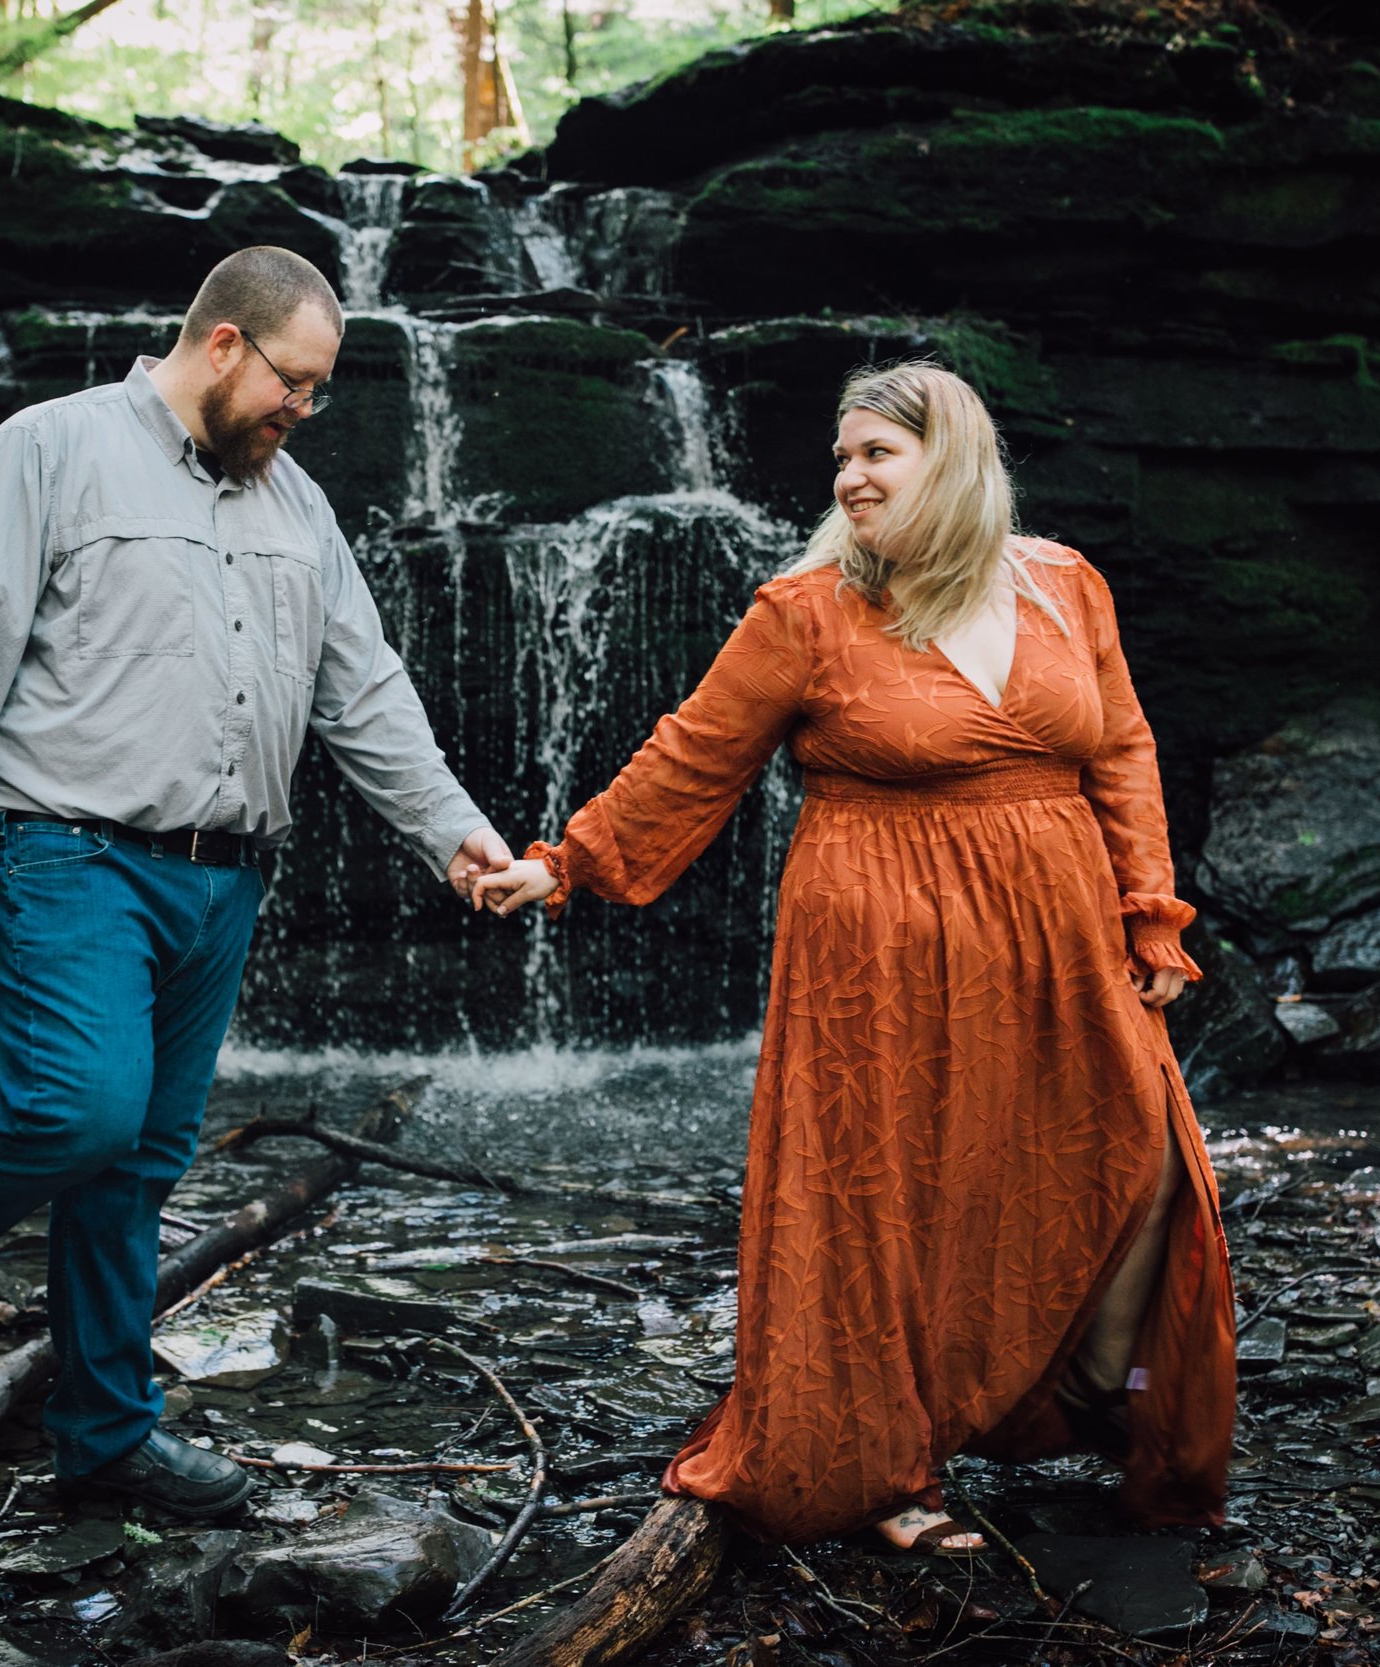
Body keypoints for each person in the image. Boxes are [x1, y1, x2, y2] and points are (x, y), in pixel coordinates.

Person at [472, 361, 1235, 1554]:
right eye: (842, 458)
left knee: (1137, 1160)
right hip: (877, 936)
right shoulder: (809, 609)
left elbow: (1122, 746)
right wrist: (561, 862)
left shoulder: (1064, 584)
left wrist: (1151, 911)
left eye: (876, 452)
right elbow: (694, 755)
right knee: (890, 1195)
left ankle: (1072, 1387)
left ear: (955, 459)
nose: (848, 476)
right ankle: (886, 1471)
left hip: (1057, 923)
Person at [0, 246, 509, 1519]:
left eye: (315, 390)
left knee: (137, 1162)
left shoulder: (295, 505)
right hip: (63, 848)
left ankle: (105, 1435)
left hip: (223, 876)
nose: (303, 409)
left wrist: (451, 833)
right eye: (294, 383)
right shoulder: (50, 448)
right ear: (223, 345)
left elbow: (359, 689)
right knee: (79, 1109)